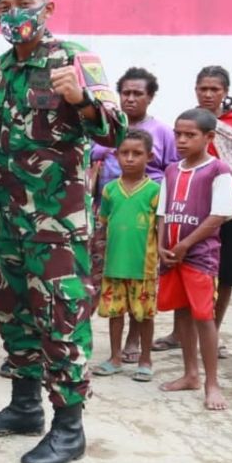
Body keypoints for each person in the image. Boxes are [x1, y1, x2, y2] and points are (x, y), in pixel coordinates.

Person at [0, 0, 126, 463]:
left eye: (25, 3)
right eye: (5, 8)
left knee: (61, 318)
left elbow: (115, 132)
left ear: (48, 8)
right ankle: (24, 407)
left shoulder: (76, 58)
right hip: (10, 223)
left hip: (57, 224)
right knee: (14, 314)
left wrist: (80, 100)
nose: (16, 14)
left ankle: (69, 428)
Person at [154, 66, 232, 356]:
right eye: (203, 88)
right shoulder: (188, 122)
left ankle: (213, 331)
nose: (209, 94)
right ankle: (178, 333)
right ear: (195, 89)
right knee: (181, 269)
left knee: (225, 273)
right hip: (190, 211)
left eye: (215, 89)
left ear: (226, 92)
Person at [88, 67, 177, 364]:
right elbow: (90, 157)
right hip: (111, 209)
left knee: (140, 284)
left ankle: (134, 341)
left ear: (150, 97)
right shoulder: (109, 128)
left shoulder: (162, 132)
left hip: (146, 214)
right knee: (105, 277)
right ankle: (104, 344)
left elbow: (173, 171)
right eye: (126, 92)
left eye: (138, 93)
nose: (130, 98)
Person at [156, 108, 232, 411]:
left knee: (204, 316)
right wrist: (162, 245)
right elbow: (162, 213)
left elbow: (219, 215)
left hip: (200, 257)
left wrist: (186, 244)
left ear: (209, 137)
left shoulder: (218, 171)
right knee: (181, 313)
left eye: (190, 135)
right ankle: (190, 374)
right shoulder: (171, 170)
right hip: (172, 257)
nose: (181, 140)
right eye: (178, 134)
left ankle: (212, 383)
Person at [91, 130, 161, 381]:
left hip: (144, 266)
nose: (130, 158)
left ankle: (145, 359)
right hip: (113, 264)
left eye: (137, 153)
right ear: (116, 155)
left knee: (144, 314)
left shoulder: (155, 191)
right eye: (124, 153)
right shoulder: (110, 190)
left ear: (149, 156)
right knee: (114, 313)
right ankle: (115, 357)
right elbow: (103, 224)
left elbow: (159, 228)